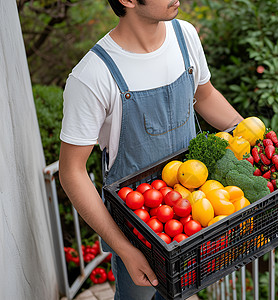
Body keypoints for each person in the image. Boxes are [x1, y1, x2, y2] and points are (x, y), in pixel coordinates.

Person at [58, 0, 243, 299]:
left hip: (191, 212)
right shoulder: (93, 75)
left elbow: (205, 97)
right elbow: (71, 172)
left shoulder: (186, 37)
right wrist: (125, 249)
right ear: (128, 1)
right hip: (138, 229)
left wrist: (249, 136)